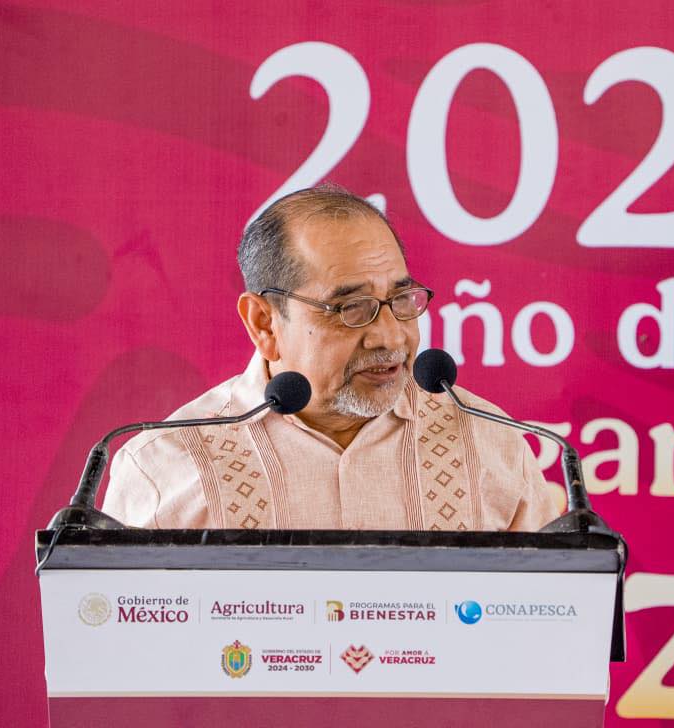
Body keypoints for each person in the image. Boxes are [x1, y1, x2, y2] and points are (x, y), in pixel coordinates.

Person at [102, 184, 560, 531]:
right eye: (350, 309)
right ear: (264, 323)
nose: (389, 336)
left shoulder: (490, 445)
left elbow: (549, 621)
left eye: (402, 300)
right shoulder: (168, 466)